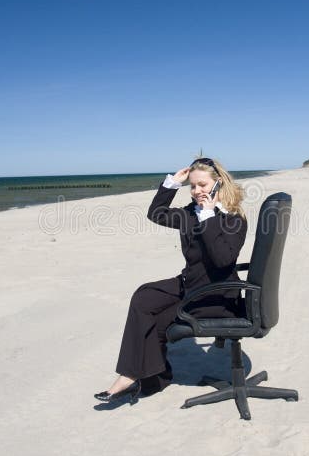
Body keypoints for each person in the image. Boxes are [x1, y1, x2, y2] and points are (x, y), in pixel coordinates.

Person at [94, 157, 248, 403]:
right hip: (190, 284)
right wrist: (172, 183)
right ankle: (146, 375)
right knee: (143, 297)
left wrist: (208, 216)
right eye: (193, 186)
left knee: (157, 324)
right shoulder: (190, 213)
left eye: (203, 185)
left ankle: (141, 379)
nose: (197, 191)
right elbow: (156, 214)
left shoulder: (233, 219)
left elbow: (221, 259)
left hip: (216, 295)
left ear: (219, 184)